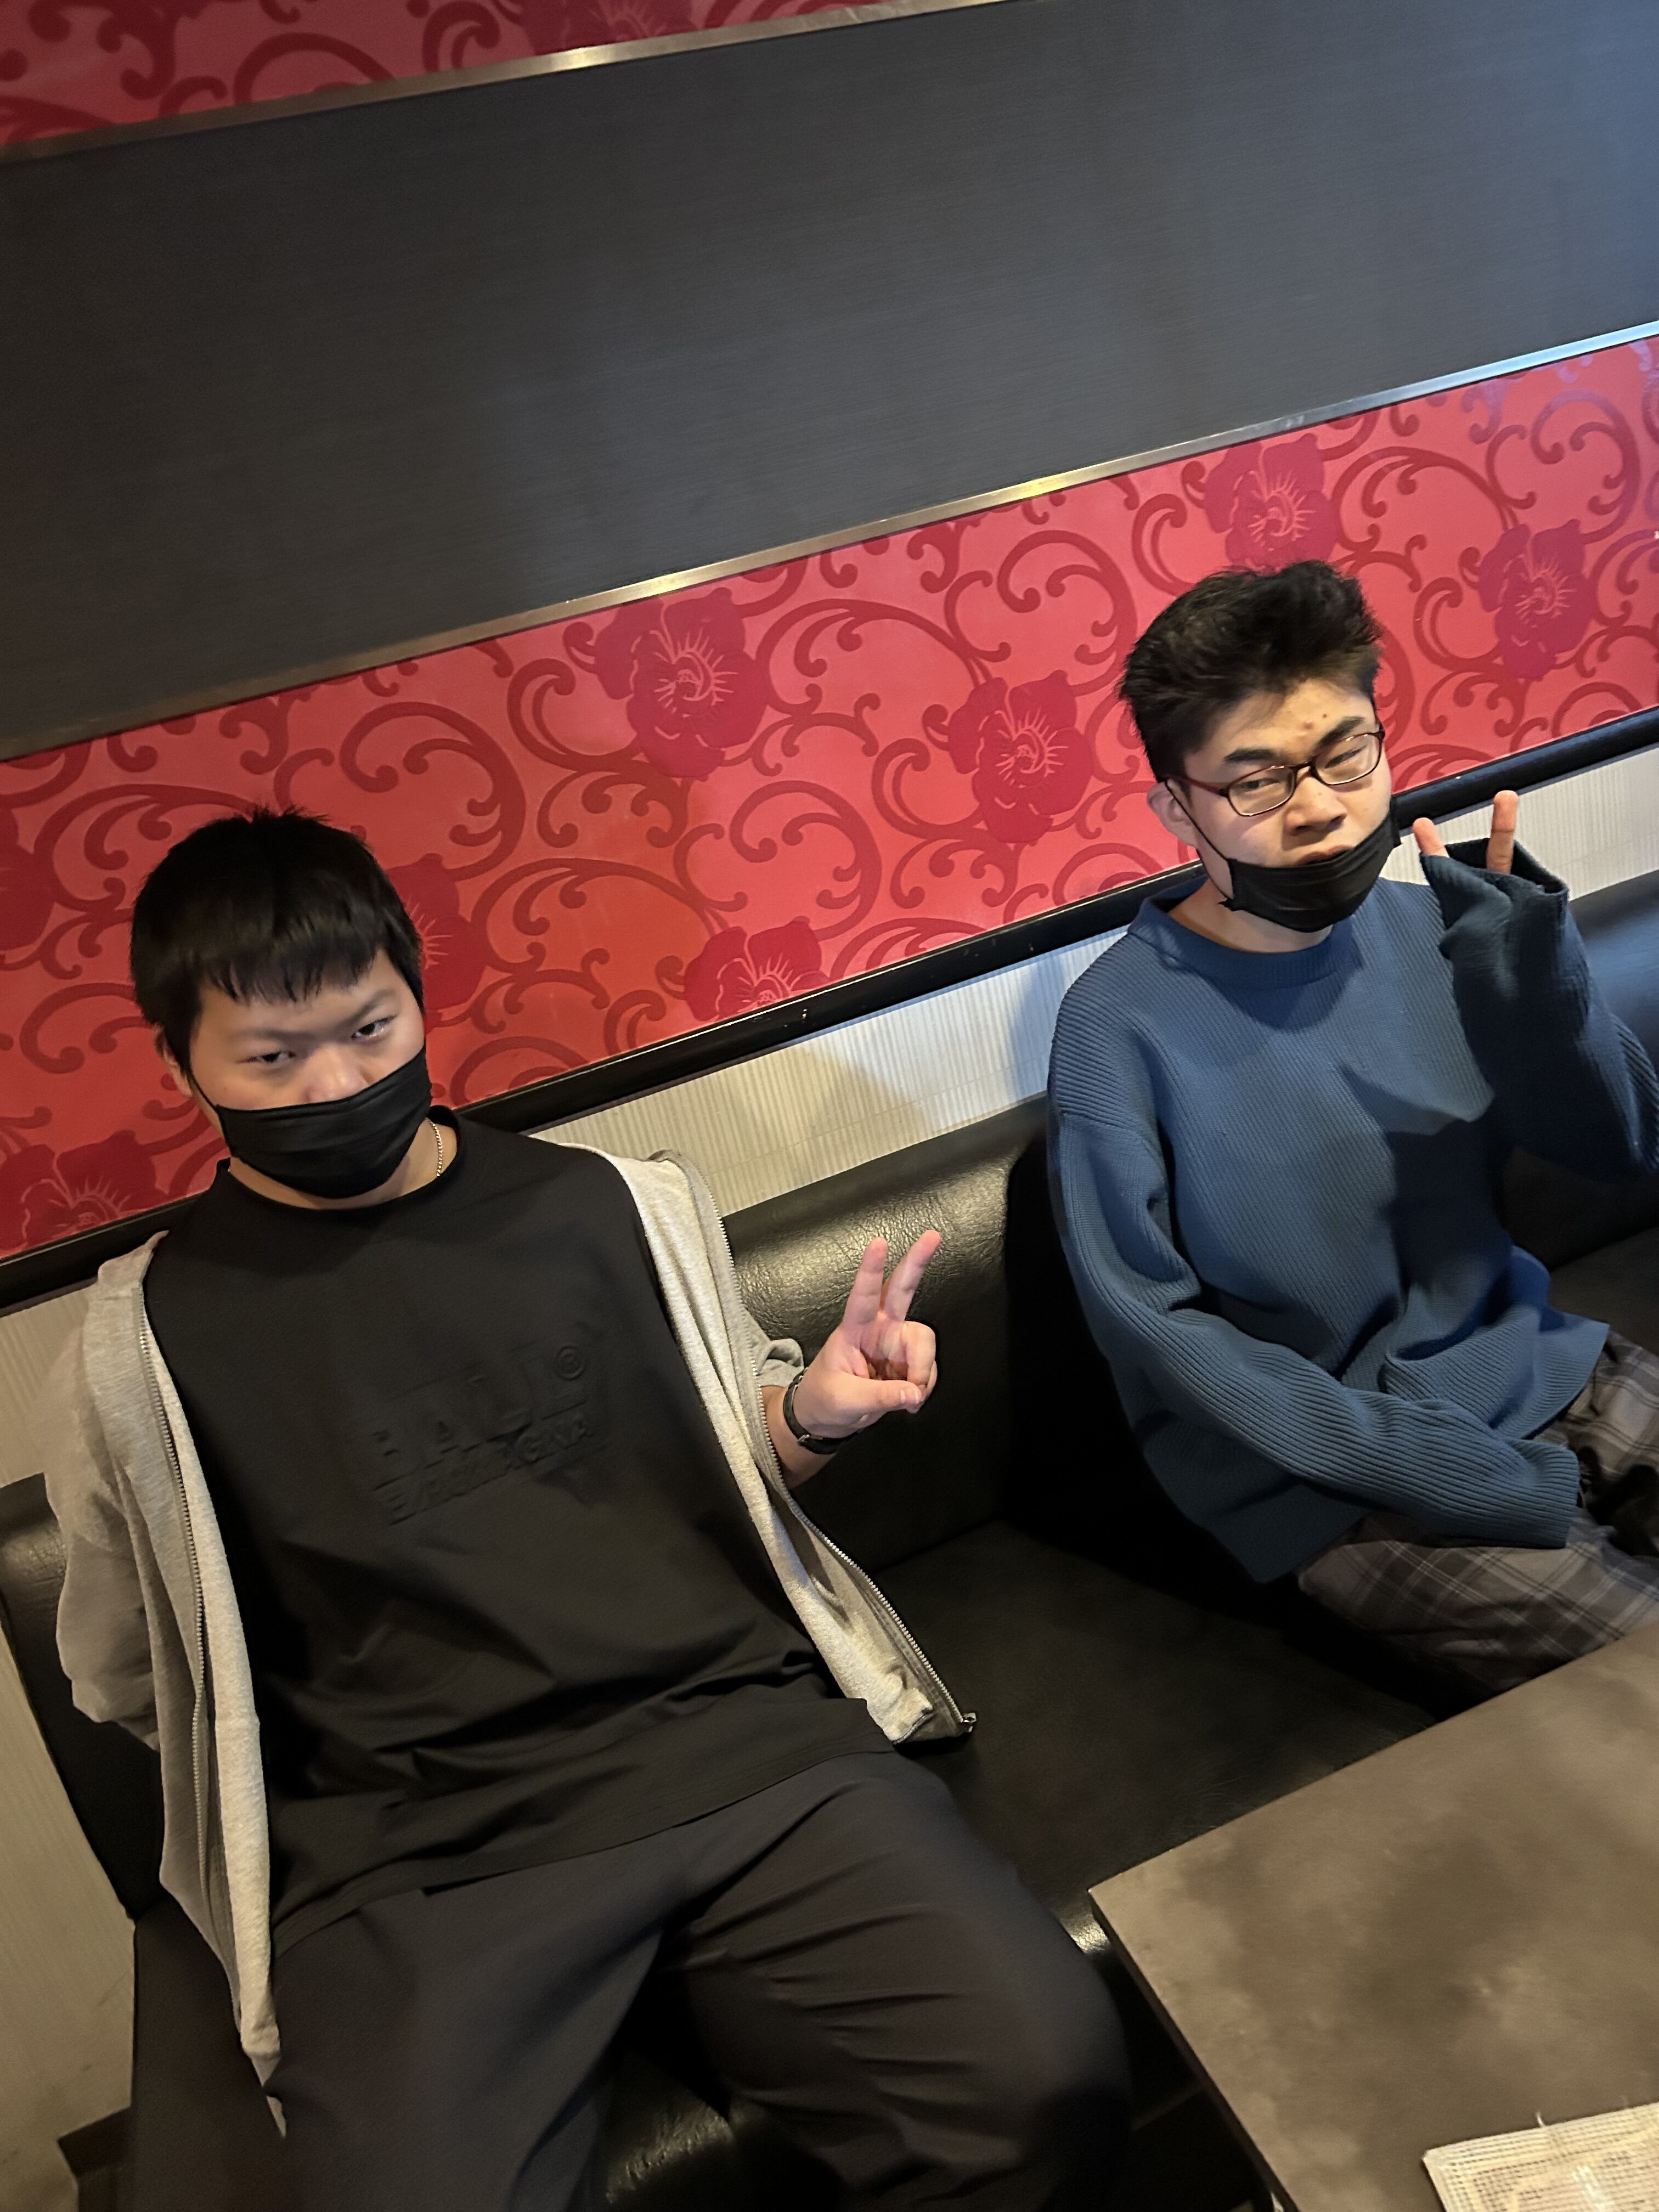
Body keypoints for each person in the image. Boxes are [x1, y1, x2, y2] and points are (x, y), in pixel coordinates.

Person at [41, 809, 1126, 2212]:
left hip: (738, 1749)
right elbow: (127, 1676)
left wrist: (808, 1415)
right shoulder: (142, 1345)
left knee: (1040, 2078)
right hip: (414, 1856)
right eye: (273, 1057)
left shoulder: (616, 1204)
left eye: (370, 1030)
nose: (338, 1081)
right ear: (179, 1062)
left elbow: (722, 1469)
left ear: (417, 994)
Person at [1048, 559, 1659, 1697]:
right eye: (1258, 781)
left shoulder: (1441, 929)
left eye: (1346, 754)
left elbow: (1621, 1150)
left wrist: (1538, 988)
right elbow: (1161, 1335)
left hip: (1541, 1365)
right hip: (1341, 1482)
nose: (1321, 806)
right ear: (1178, 809)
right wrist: (1453, 1471)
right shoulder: (1115, 1029)